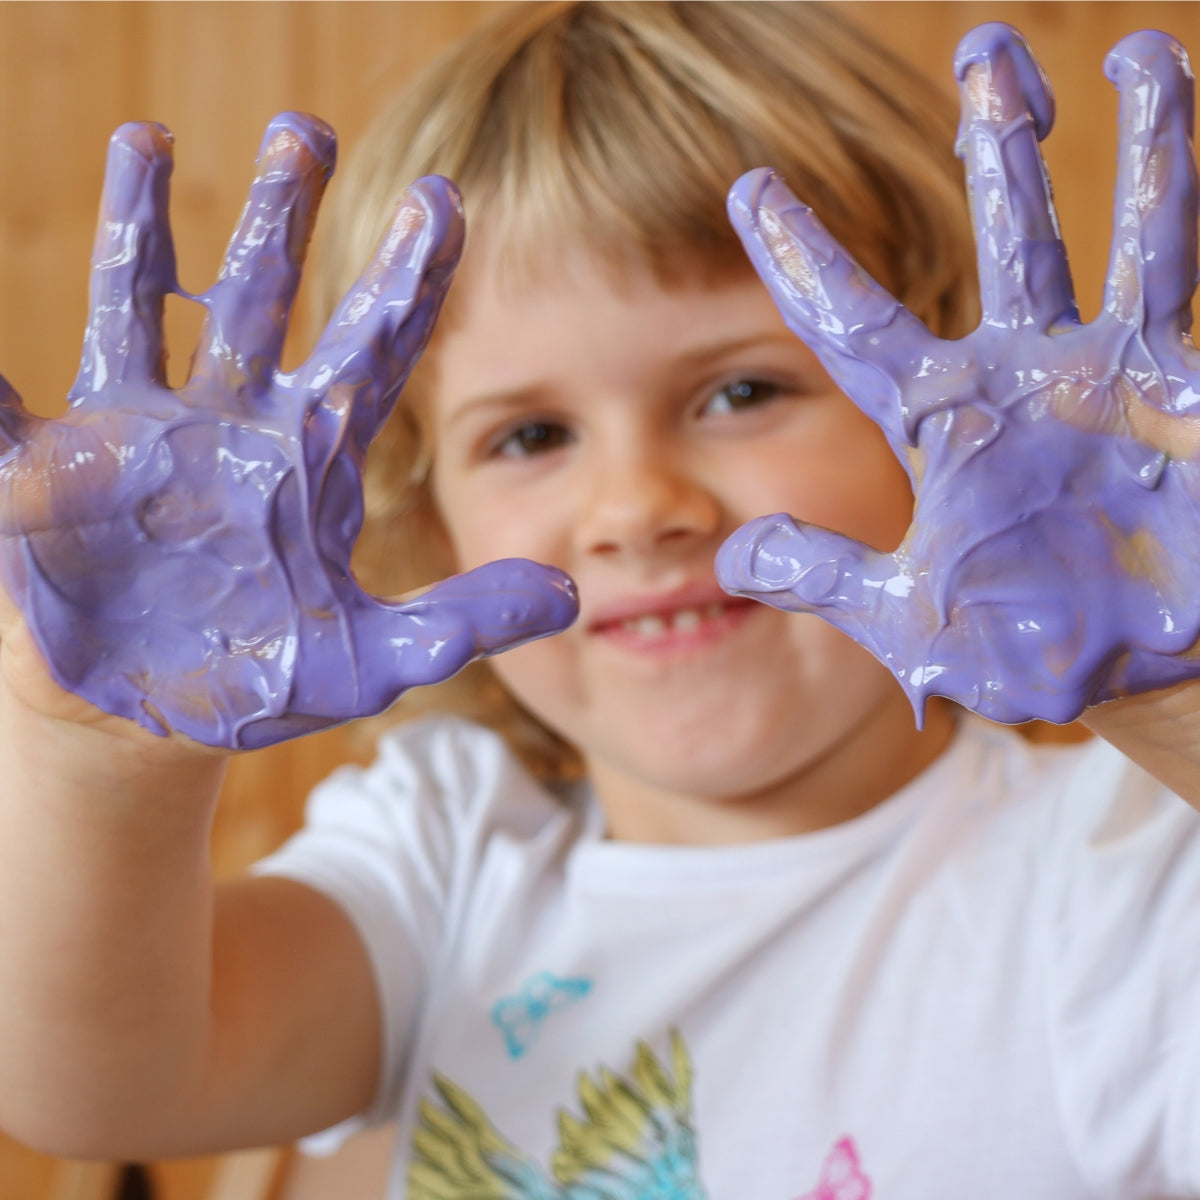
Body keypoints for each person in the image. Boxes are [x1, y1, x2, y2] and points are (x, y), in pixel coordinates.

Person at [0, 4, 1198, 1198]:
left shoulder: (1114, 879)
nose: (638, 505)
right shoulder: (451, 853)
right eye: (531, 434)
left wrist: (1177, 701)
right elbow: (105, 1087)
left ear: (942, 417)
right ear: (426, 515)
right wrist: (97, 762)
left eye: (740, 392)